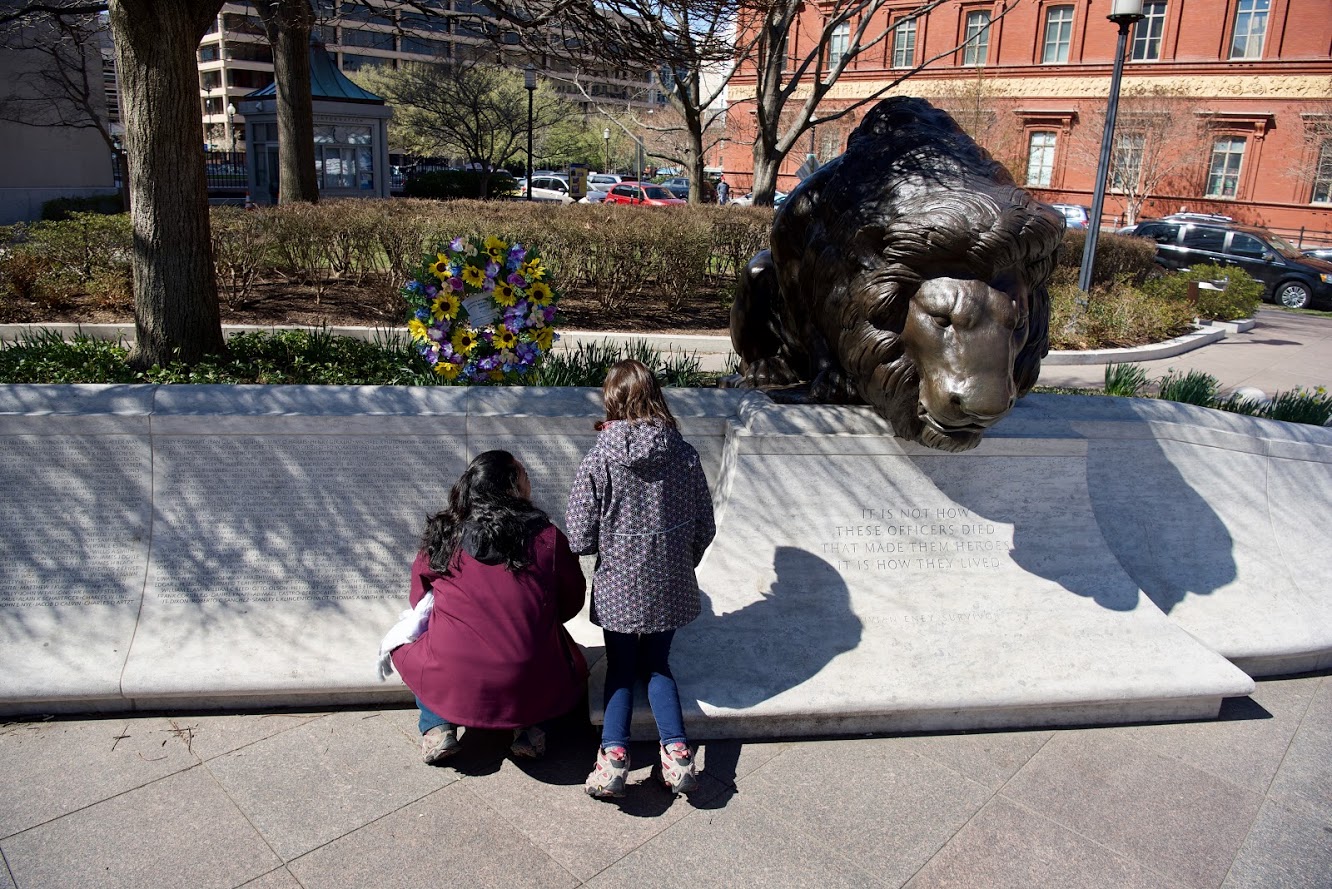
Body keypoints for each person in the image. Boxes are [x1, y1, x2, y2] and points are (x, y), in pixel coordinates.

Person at [566, 359, 717, 798]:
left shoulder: (600, 459)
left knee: (620, 669)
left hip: (618, 588)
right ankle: (678, 754)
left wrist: (612, 548)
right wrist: (680, 559)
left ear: (611, 399)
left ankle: (613, 758)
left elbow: (578, 535)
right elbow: (704, 526)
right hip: (669, 585)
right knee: (657, 666)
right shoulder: (684, 455)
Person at [389, 450, 587, 764]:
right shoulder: (547, 538)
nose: (529, 482)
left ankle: (436, 727)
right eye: (524, 475)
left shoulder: (443, 535)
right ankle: (530, 729)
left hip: (451, 669)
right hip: (527, 669)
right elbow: (572, 598)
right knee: (557, 660)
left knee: (405, 646)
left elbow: (419, 600)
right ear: (511, 487)